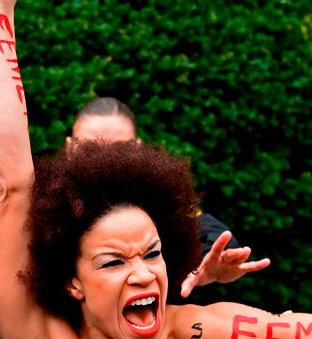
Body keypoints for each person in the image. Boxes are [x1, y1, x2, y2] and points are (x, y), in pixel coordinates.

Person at [0, 0, 312, 339]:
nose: (144, 273)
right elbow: (13, 186)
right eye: (112, 262)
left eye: (152, 253)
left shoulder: (197, 334)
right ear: (72, 281)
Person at [67, 96, 271, 298]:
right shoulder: (45, 201)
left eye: (119, 150)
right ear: (69, 147)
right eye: (90, 148)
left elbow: (207, 230)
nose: (105, 160)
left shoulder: (158, 196)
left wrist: (206, 264)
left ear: (137, 148)